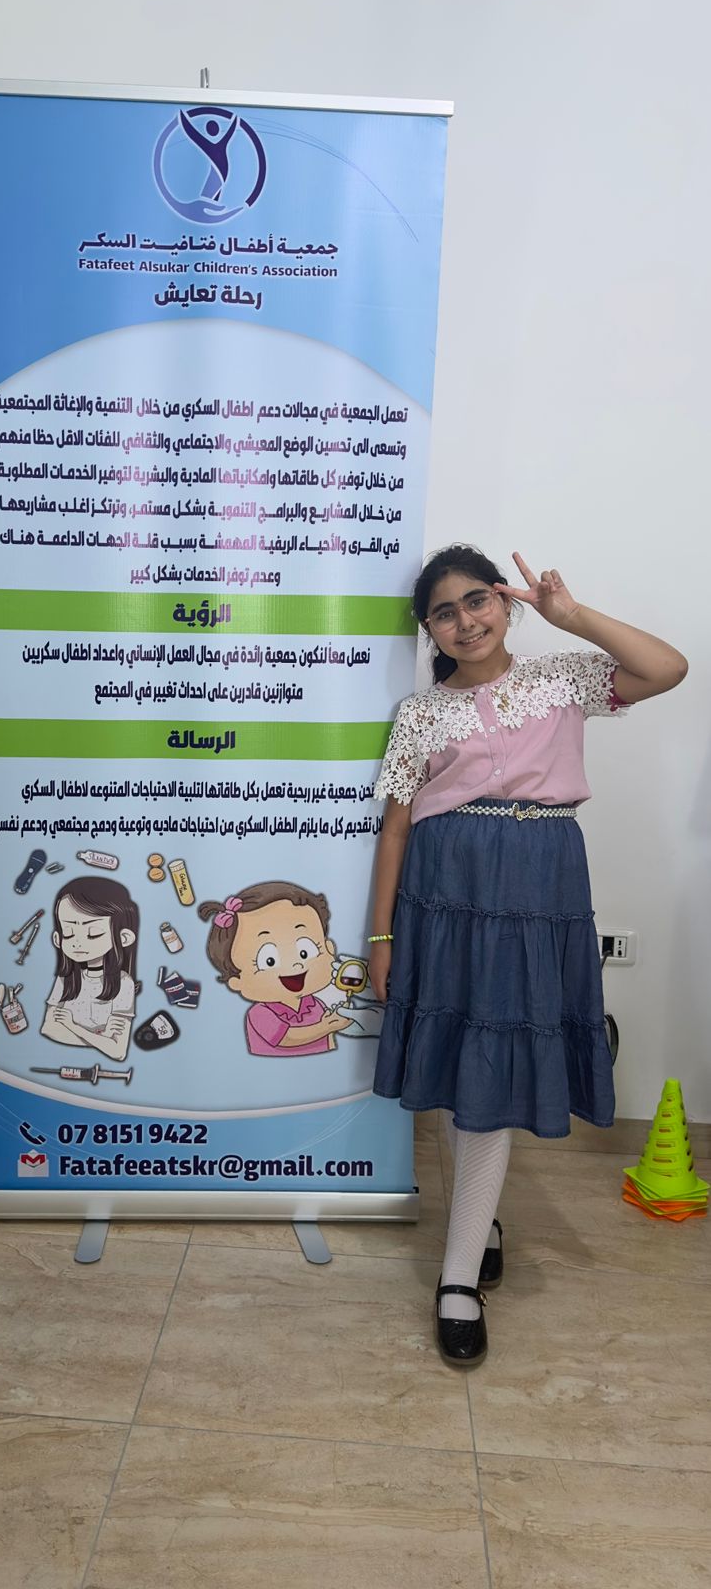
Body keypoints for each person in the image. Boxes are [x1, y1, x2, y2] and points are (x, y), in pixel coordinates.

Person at [368, 544, 687, 1368]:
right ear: (429, 629)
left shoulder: (564, 679)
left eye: (477, 600)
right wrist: (380, 936)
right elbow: (396, 828)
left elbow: (668, 668)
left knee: (494, 1072)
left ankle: (458, 1273)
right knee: (463, 1061)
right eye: (444, 612)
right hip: (446, 894)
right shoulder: (420, 713)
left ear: (505, 604)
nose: (465, 621)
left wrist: (570, 615)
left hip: (538, 890)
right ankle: (473, 1241)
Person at [198, 881, 352, 1055]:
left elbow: (329, 1040)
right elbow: (287, 1038)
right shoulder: (260, 1013)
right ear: (236, 981)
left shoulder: (316, 1005)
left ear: (329, 948)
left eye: (305, 951)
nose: (295, 965)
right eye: (269, 960)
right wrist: (326, 1027)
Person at [41, 876, 139, 1062]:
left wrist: (72, 1026)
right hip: (60, 1059)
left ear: (124, 938)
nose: (77, 943)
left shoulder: (123, 983)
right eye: (68, 933)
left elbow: (118, 1051)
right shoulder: (66, 978)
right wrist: (102, 1038)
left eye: (93, 934)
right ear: (58, 939)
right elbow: (49, 1029)